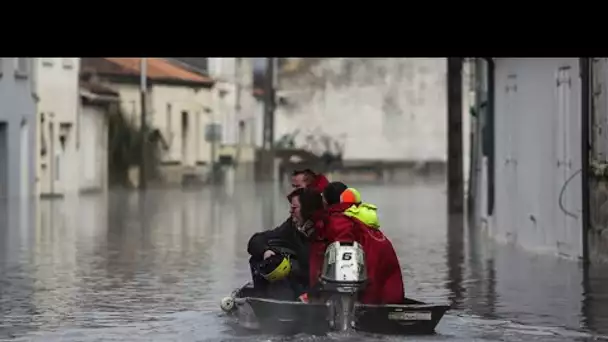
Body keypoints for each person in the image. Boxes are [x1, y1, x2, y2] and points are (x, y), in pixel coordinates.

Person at [309, 181, 405, 305]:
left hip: (369, 270)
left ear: (325, 202)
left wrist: (316, 292)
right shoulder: (360, 215)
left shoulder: (337, 220)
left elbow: (342, 252)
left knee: (368, 302)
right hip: (386, 264)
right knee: (390, 301)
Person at [246, 169, 329, 297]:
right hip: (304, 281)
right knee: (263, 260)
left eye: (298, 187)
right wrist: (266, 252)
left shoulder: (328, 225)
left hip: (320, 286)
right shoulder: (293, 225)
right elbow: (258, 239)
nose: (292, 191)